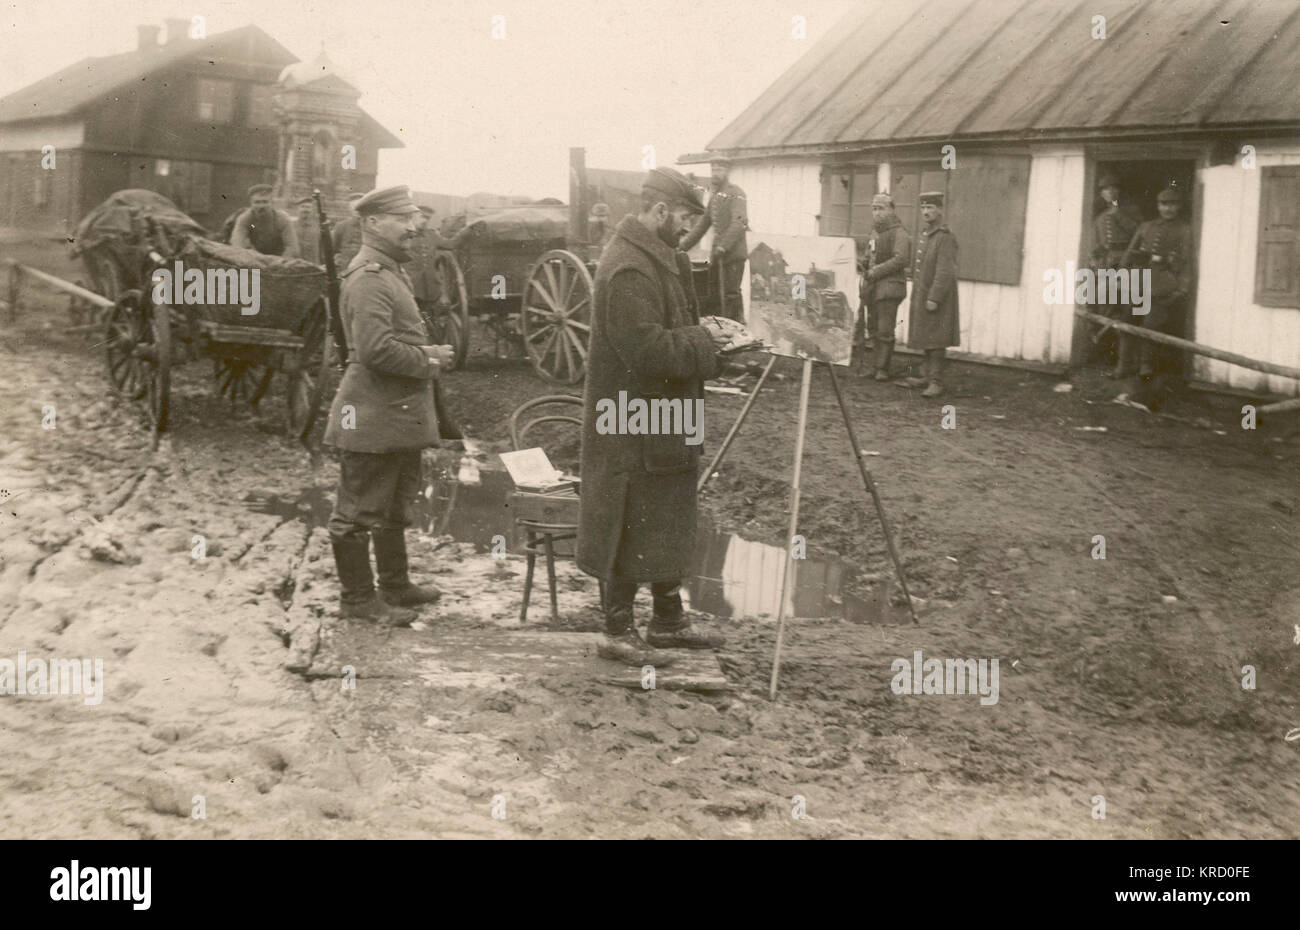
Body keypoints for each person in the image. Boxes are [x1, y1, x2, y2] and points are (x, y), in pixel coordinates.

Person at [577, 167, 731, 665]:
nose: (688, 229)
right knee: (626, 513)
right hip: (630, 418)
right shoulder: (628, 268)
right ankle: (616, 629)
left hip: (661, 413)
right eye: (684, 218)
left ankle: (667, 620)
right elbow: (647, 349)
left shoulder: (661, 257)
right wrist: (707, 342)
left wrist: (713, 338)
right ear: (660, 211)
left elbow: (677, 328)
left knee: (668, 511)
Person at [324, 185, 455, 626]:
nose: (414, 227)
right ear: (373, 222)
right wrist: (431, 359)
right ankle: (358, 601)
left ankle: (395, 585)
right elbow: (376, 350)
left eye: (414, 217)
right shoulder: (369, 278)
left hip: (395, 417)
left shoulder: (391, 271)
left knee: (394, 507)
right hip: (372, 415)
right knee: (358, 511)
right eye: (403, 218)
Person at [1118, 184, 1193, 380]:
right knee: (1127, 323)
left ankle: (1145, 366)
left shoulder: (1185, 230)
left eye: (1172, 204)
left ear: (1179, 206)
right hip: (1138, 281)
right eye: (1163, 204)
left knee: (1150, 326)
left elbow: (1187, 261)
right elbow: (1129, 253)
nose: (1168, 208)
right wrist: (1121, 276)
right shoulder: (1146, 227)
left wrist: (1182, 288)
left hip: (1162, 285)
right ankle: (1123, 365)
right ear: (1158, 206)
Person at [902, 191, 959, 397]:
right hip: (923, 293)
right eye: (923, 208)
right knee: (927, 335)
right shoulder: (927, 234)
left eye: (930, 208)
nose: (926, 212)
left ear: (940, 210)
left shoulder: (945, 237)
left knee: (936, 339)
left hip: (938, 298)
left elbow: (945, 271)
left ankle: (936, 381)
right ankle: (926, 377)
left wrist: (934, 297)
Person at [679, 156, 748, 322]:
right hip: (717, 255)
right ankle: (719, 330)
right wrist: (681, 246)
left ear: (727, 171)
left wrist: (723, 246)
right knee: (715, 295)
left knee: (730, 295)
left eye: (719, 170)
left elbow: (739, 222)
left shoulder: (736, 193)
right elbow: (702, 225)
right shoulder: (715, 196)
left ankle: (736, 328)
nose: (715, 173)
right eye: (713, 170)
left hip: (732, 255)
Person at [1090, 174, 1141, 375]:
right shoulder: (1100, 218)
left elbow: (1138, 232)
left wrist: (1117, 211)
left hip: (1129, 265)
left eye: (1114, 188)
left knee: (1130, 313)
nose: (1110, 192)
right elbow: (1096, 246)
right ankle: (1109, 359)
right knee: (1107, 311)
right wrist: (1096, 263)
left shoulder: (1131, 212)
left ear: (1119, 191)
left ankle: (1129, 364)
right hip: (1107, 266)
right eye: (1106, 189)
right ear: (1101, 194)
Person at [861, 193, 912, 381]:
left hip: (890, 288)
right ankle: (875, 367)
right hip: (874, 288)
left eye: (881, 208)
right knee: (873, 327)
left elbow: (901, 259)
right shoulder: (875, 233)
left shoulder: (900, 233)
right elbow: (869, 256)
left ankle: (882, 369)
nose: (877, 213)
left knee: (884, 329)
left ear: (891, 209)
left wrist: (876, 271)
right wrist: (862, 263)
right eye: (874, 209)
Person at [230, 184, 300, 257]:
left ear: (272, 203)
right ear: (251, 203)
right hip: (255, 258)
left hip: (279, 258)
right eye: (257, 202)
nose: (261, 206)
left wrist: (280, 263)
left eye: (265, 202)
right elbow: (237, 244)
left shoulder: (283, 219)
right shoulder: (244, 219)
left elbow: (292, 248)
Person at [331, 193, 366, 269]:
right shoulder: (341, 226)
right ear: (350, 209)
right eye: (354, 208)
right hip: (345, 268)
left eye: (360, 208)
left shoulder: (371, 226)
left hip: (364, 267)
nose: (357, 211)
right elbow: (333, 248)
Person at [294, 195, 321, 265]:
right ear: (297, 208)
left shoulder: (319, 228)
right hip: (294, 266)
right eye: (303, 206)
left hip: (313, 266)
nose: (305, 210)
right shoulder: (291, 226)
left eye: (308, 207)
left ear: (312, 210)